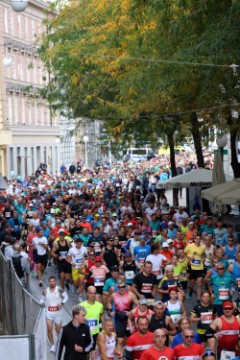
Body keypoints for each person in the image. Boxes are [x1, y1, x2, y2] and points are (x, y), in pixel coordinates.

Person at [108, 280, 138, 353]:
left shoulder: (131, 295)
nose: (121, 289)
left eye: (123, 287)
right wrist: (110, 311)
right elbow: (109, 302)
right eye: (119, 287)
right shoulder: (114, 295)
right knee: (120, 340)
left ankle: (128, 354)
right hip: (119, 319)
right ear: (117, 287)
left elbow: (138, 305)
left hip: (129, 320)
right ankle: (120, 357)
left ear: (126, 287)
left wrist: (131, 312)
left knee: (130, 339)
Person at [40, 276, 68, 353]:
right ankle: (52, 345)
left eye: (53, 281)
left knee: (58, 330)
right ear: (48, 282)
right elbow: (41, 299)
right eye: (50, 281)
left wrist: (62, 303)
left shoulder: (59, 289)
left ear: (55, 282)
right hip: (48, 312)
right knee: (49, 328)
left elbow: (66, 297)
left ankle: (59, 342)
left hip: (58, 313)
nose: (52, 283)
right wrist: (42, 303)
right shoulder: (45, 291)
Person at [80, 286, 104, 360]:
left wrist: (102, 328)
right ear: (87, 294)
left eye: (94, 293)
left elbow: (101, 316)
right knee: (86, 354)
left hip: (95, 333)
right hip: (85, 333)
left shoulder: (100, 305)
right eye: (91, 293)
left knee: (93, 354)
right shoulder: (81, 306)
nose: (93, 295)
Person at [185, 234, 206, 302]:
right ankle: (191, 290)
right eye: (197, 239)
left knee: (199, 284)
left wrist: (203, 259)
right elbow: (184, 253)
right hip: (192, 267)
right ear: (194, 239)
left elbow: (204, 255)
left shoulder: (203, 247)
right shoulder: (190, 246)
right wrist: (189, 257)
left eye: (199, 239)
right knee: (192, 283)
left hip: (200, 267)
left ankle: (198, 299)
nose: (198, 240)